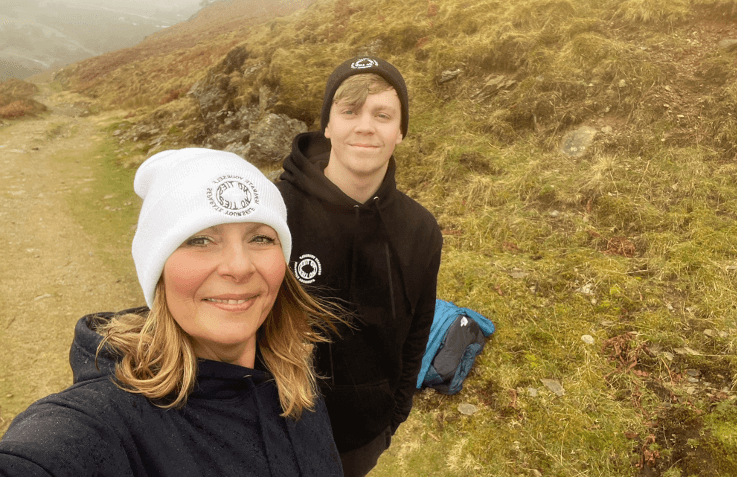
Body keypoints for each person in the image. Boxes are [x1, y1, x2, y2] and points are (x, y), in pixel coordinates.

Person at [0, 148, 345, 477]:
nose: (239, 267)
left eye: (261, 239)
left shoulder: (293, 375)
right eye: (200, 240)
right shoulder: (104, 420)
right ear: (157, 270)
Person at [277, 56, 443, 476]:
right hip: (271, 428)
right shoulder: (275, 210)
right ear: (328, 125)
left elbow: (417, 332)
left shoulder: (420, 229)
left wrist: (392, 417)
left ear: (400, 131)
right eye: (349, 111)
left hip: (362, 439)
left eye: (382, 114)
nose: (365, 126)